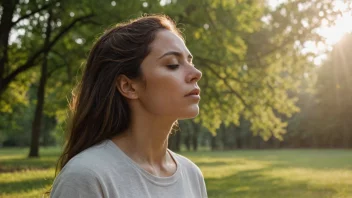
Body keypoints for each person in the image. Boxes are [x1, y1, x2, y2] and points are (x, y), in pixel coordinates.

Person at [50, 14, 207, 198]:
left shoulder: (191, 175)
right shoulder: (86, 177)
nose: (196, 73)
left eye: (190, 61)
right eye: (173, 64)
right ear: (128, 86)